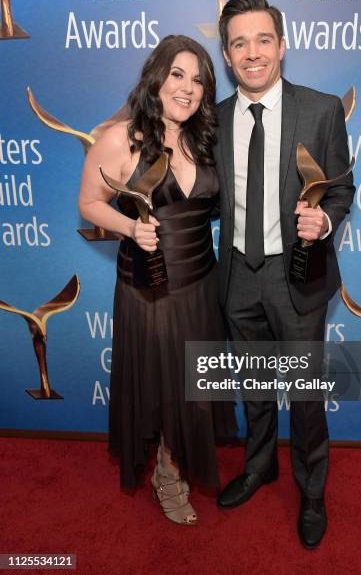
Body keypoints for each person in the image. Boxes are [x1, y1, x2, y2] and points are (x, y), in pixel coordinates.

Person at [214, 0, 355, 548]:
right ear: (226, 56)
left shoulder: (321, 111)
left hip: (296, 276)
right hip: (237, 276)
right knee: (252, 386)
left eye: (263, 40)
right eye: (239, 43)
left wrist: (324, 220)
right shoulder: (215, 119)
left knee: (304, 393)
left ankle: (312, 490)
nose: (252, 53)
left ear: (283, 46)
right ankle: (259, 466)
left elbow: (341, 187)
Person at [78, 35, 236, 526]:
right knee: (165, 390)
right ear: (157, 77)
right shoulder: (122, 137)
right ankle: (169, 476)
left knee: (193, 387)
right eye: (177, 75)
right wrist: (129, 227)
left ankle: (175, 462)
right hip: (149, 289)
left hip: (200, 284)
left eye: (198, 79)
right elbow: (89, 203)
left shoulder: (205, 138)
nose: (187, 88)